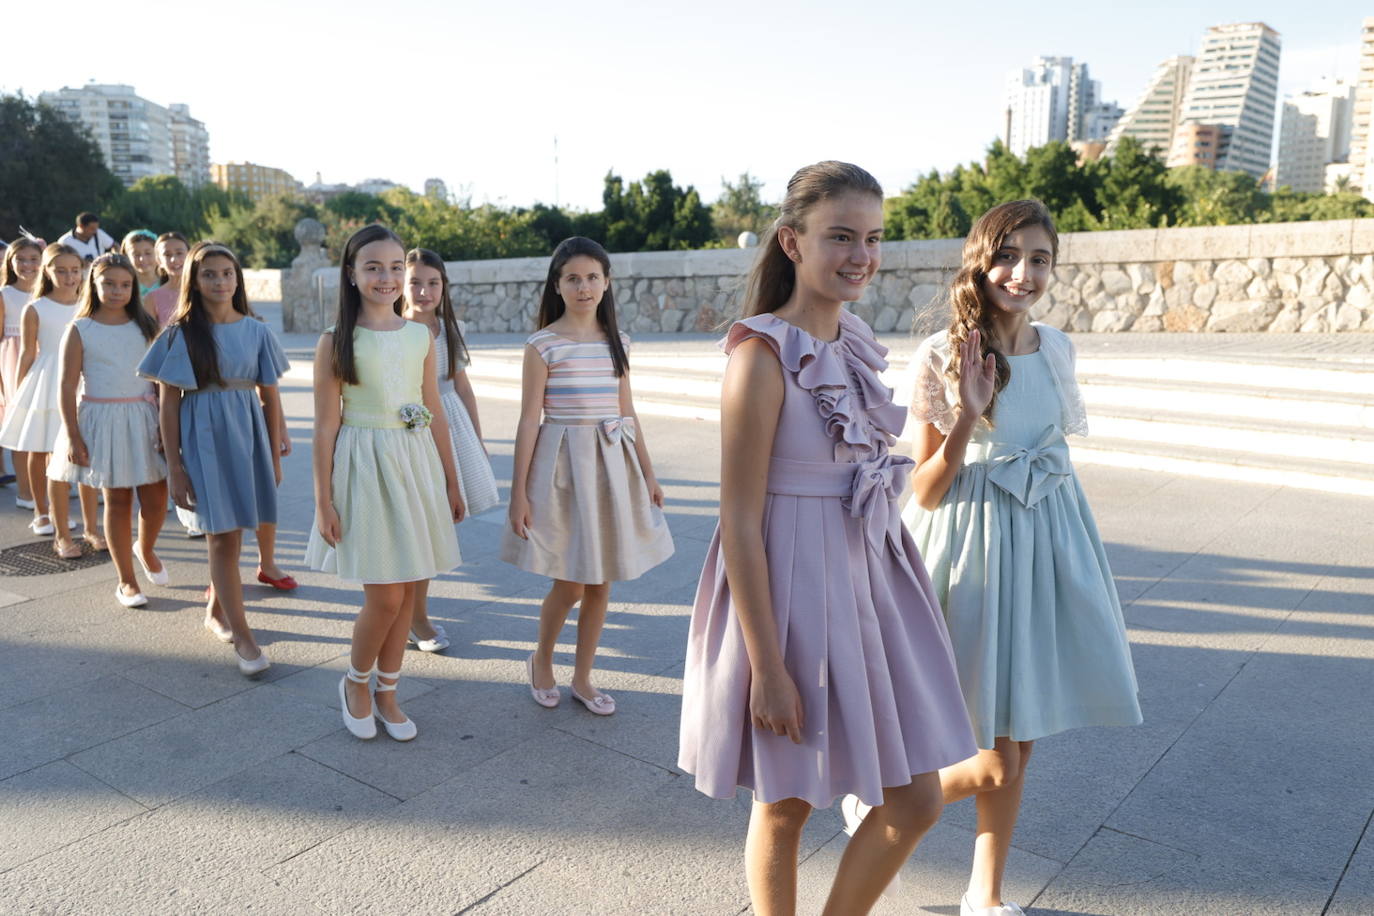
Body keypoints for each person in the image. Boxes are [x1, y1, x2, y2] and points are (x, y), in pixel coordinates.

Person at [677, 161, 977, 916]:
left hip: (870, 578)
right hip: (789, 591)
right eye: (840, 236)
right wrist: (767, 668)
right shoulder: (760, 355)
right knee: (784, 803)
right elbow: (739, 521)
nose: (860, 256)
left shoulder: (853, 339)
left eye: (872, 238)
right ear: (792, 240)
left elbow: (880, 469)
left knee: (915, 800)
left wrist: (967, 417)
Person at [848, 199, 1144, 916]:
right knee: (991, 757)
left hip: (1047, 543)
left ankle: (985, 893)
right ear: (979, 262)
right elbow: (921, 486)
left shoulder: (1058, 347)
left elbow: (1057, 448)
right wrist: (969, 420)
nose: (1024, 273)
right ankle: (878, 802)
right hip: (969, 551)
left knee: (1024, 732)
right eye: (1008, 256)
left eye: (1040, 258)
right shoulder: (944, 356)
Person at [502, 236, 674, 717]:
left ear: (607, 283)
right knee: (571, 581)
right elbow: (527, 420)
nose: (584, 287)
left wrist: (649, 473)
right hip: (563, 471)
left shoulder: (617, 343)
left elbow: (628, 411)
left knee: (603, 582)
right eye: (573, 278)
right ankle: (541, 659)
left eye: (592, 277)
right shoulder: (543, 345)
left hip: (611, 468)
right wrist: (519, 494)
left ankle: (582, 676)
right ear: (557, 285)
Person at [305, 225, 463, 742]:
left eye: (396, 267)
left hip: (414, 464)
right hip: (364, 464)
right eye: (373, 267)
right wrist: (323, 500)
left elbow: (434, 409)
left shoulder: (421, 335)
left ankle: (389, 691)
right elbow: (326, 423)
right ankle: (355, 682)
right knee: (387, 596)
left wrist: (451, 480)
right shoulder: (336, 341)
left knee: (409, 580)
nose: (387, 277)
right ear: (351, 275)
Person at [138, 242, 288, 677]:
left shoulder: (257, 331)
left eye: (227, 273)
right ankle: (244, 636)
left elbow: (271, 397)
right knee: (221, 537)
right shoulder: (180, 333)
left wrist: (275, 453)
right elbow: (168, 405)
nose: (220, 281)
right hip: (201, 438)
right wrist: (176, 469)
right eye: (210, 274)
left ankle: (216, 612)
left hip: (248, 436)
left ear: (238, 279)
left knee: (237, 533)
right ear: (194, 281)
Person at [48, 253, 168, 606]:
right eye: (109, 284)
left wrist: (164, 424)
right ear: (94, 285)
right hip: (101, 419)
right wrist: (72, 434)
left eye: (125, 284)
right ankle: (126, 581)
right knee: (117, 499)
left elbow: (160, 382)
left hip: (144, 418)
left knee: (157, 498)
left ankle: (144, 548)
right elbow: (67, 385)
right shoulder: (80, 328)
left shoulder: (146, 326)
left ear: (134, 286)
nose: (118, 291)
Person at [400, 247, 499, 653]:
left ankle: (415, 612)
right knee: (413, 526)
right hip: (408, 431)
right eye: (416, 282)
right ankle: (407, 613)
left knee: (433, 526)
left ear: (444, 286)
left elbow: (461, 386)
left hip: (449, 426)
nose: (424, 291)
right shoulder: (395, 330)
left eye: (433, 283)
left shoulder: (447, 329)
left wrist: (476, 438)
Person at [0, 243, 101, 548]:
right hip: (46, 379)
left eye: (74, 270)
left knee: (84, 449)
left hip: (83, 378)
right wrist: (19, 392)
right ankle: (41, 512)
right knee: (40, 447)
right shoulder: (36, 307)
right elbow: (29, 353)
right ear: (48, 270)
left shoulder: (89, 303)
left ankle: (89, 525)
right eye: (60, 270)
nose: (69, 276)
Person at [2, 238, 45, 506]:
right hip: (14, 359)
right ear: (10, 261)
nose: (27, 265)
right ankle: (25, 492)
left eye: (33, 258)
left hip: (47, 356)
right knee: (21, 424)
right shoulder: (4, 294)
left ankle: (48, 487)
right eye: (21, 259)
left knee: (47, 422)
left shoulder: (48, 294)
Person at [145, 232, 190, 330]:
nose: (174, 259)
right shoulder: (151, 299)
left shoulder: (203, 291)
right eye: (167, 255)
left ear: (189, 255)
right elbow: (152, 338)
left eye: (179, 253)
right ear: (159, 261)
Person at [120, 229, 161, 298]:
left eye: (148, 253)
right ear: (126, 256)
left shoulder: (168, 282)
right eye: (136, 254)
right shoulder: (124, 285)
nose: (142, 259)